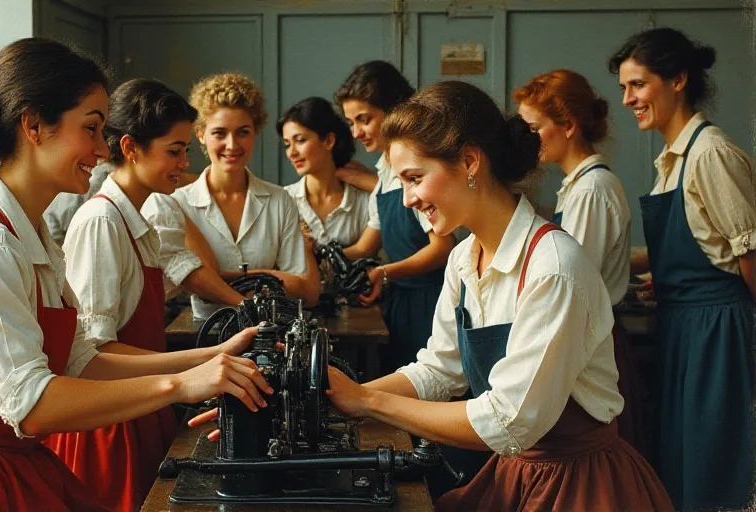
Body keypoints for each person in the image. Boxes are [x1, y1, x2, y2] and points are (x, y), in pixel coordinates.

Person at [0, 38, 272, 511]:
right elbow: (31, 406)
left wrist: (205, 360)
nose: (101, 149)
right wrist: (181, 384)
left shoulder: (30, 233)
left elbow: (80, 360)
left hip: (11, 457)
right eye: (91, 129)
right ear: (33, 125)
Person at [315, 80, 672, 511]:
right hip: (520, 470)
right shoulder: (465, 258)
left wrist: (369, 401)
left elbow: (508, 421)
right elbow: (439, 371)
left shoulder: (554, 267)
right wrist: (341, 399)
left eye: (414, 178)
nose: (407, 199)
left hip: (578, 485)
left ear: (469, 161)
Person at [48, 78, 242, 511]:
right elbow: (95, 350)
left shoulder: (136, 219)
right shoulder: (101, 221)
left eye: (184, 151)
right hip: (111, 422)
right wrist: (198, 366)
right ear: (132, 148)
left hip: (142, 403)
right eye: (174, 151)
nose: (184, 163)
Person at [610, 27, 756, 510]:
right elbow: (701, 241)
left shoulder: (710, 153)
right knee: (686, 463)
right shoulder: (671, 159)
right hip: (683, 327)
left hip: (719, 331)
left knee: (717, 462)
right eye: (625, 88)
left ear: (677, 79)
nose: (628, 98)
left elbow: (750, 255)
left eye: (638, 85)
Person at [513, 69, 644, 451]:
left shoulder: (592, 190)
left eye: (533, 128)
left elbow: (574, 283)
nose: (527, 139)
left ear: (568, 125)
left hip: (592, 342)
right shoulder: (577, 186)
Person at [153, 72, 319, 319]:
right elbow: (189, 284)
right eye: (219, 133)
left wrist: (217, 278)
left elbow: (301, 287)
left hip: (269, 333)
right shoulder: (178, 203)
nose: (232, 145)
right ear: (200, 134)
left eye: (243, 132)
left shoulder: (279, 200)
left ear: (255, 133)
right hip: (204, 334)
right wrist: (269, 277)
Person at [334, 61, 455, 376]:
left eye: (365, 119)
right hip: (399, 300)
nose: (356, 132)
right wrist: (308, 255)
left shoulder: (416, 169)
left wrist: (386, 273)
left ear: (395, 111)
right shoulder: (383, 173)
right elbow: (365, 247)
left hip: (431, 301)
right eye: (350, 122)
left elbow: (442, 247)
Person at [280, 97, 370, 251]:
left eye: (300, 140)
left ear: (329, 141)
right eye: (287, 144)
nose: (291, 153)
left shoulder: (364, 202)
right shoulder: (282, 201)